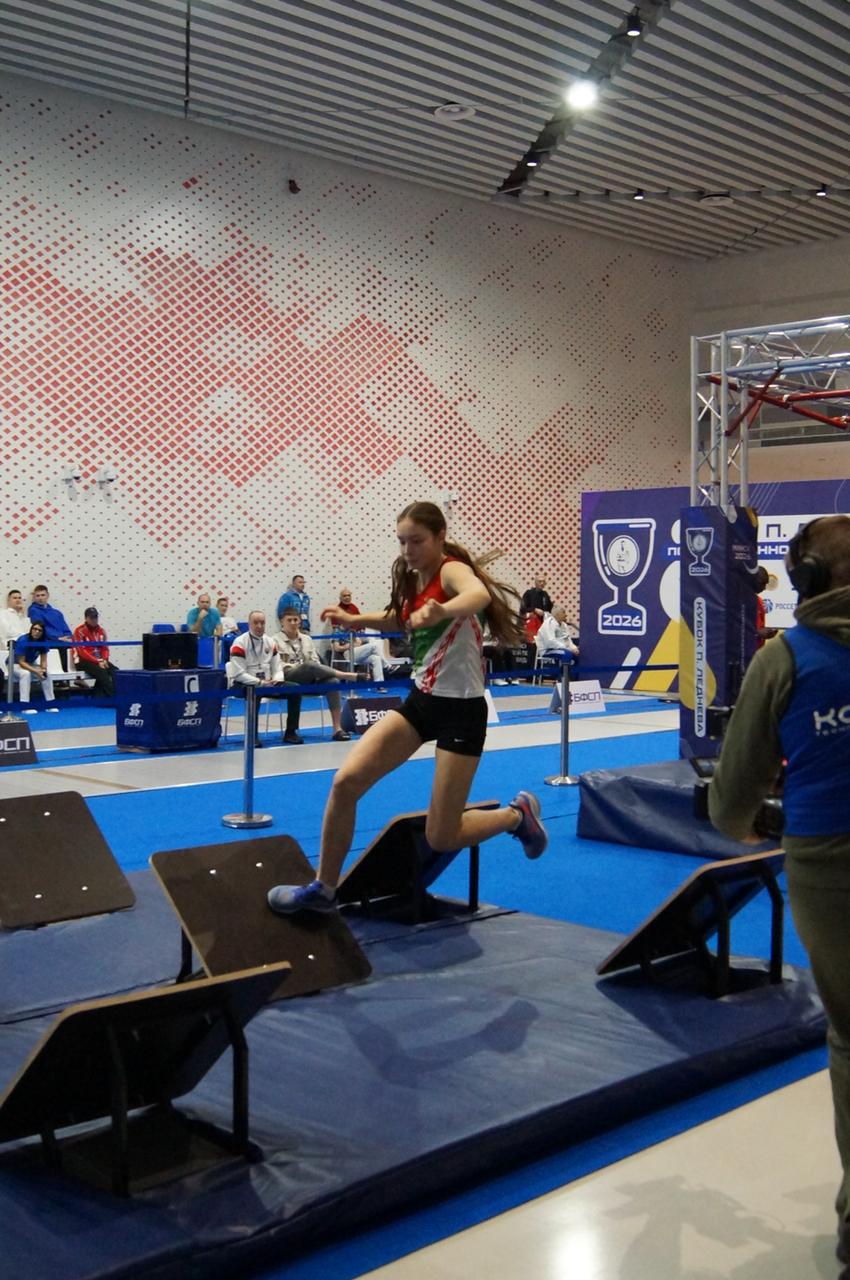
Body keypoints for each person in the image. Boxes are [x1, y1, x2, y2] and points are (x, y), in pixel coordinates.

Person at [268, 500, 548, 915]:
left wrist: (443, 610)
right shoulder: (412, 577)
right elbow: (399, 617)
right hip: (421, 703)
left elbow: (477, 595)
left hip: (462, 713)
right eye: (401, 541)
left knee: (441, 835)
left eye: (416, 541)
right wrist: (354, 620)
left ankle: (516, 816)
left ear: (439, 537)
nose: (407, 550)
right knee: (346, 782)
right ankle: (324, 890)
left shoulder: (451, 570)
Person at [707, 515, 850, 1277]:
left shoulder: (786, 658)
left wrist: (756, 818)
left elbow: (731, 806)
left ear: (806, 580)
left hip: (831, 861)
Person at [272, 607, 364, 743]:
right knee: (309, 666)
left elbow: (315, 660)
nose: (293, 623)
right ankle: (346, 675)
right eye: (289, 620)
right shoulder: (274, 640)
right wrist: (303, 667)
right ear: (282, 622)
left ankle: (337, 729)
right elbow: (278, 665)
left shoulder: (307, 639)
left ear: (299, 622)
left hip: (311, 677)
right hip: (288, 677)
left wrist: (314, 671)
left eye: (295, 620)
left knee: (333, 682)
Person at [72, 607, 118, 696]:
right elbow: (82, 652)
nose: (94, 620)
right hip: (82, 661)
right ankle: (113, 697)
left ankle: (99, 696)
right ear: (86, 618)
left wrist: (104, 660)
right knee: (102, 672)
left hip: (99, 661)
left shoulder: (101, 631)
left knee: (115, 671)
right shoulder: (79, 631)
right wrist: (97, 661)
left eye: (96, 617)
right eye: (91, 618)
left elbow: (105, 648)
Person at [28, 584, 73, 670]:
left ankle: (76, 674)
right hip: (47, 640)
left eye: (43, 595)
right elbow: (40, 628)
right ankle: (64, 673)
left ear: (47, 595)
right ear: (34, 597)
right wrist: (57, 638)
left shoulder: (57, 612)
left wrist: (69, 637)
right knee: (62, 646)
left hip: (61, 640)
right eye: (37, 595)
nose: (40, 598)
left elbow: (65, 628)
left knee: (78, 645)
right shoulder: (33, 611)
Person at [14, 620, 57, 710]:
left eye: (40, 630)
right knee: (25, 674)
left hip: (31, 663)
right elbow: (21, 662)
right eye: (34, 629)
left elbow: (43, 660)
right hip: (15, 664)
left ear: (43, 632)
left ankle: (50, 704)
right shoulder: (23, 640)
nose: (36, 632)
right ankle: (25, 706)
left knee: (46, 674)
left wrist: (43, 670)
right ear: (31, 629)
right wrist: (36, 671)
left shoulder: (43, 642)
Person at [0, 590, 31, 699]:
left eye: (19, 597)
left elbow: (30, 633)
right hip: (11, 647)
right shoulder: (3, 613)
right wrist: (23, 637)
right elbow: (7, 632)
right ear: (8, 600)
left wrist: (23, 615)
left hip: (25, 647)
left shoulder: (22, 616)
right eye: (14, 598)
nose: (18, 600)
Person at [752, 565, 778, 648]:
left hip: (758, 649)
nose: (764, 588)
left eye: (766, 584)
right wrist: (757, 633)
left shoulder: (759, 601)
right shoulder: (737, 601)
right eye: (762, 583)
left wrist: (768, 632)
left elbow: (760, 625)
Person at [520, 574, 552, 642]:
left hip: (542, 625)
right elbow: (523, 608)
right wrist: (535, 610)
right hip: (531, 624)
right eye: (540, 581)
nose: (542, 583)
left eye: (543, 582)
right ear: (535, 583)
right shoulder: (529, 593)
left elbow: (550, 608)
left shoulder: (545, 594)